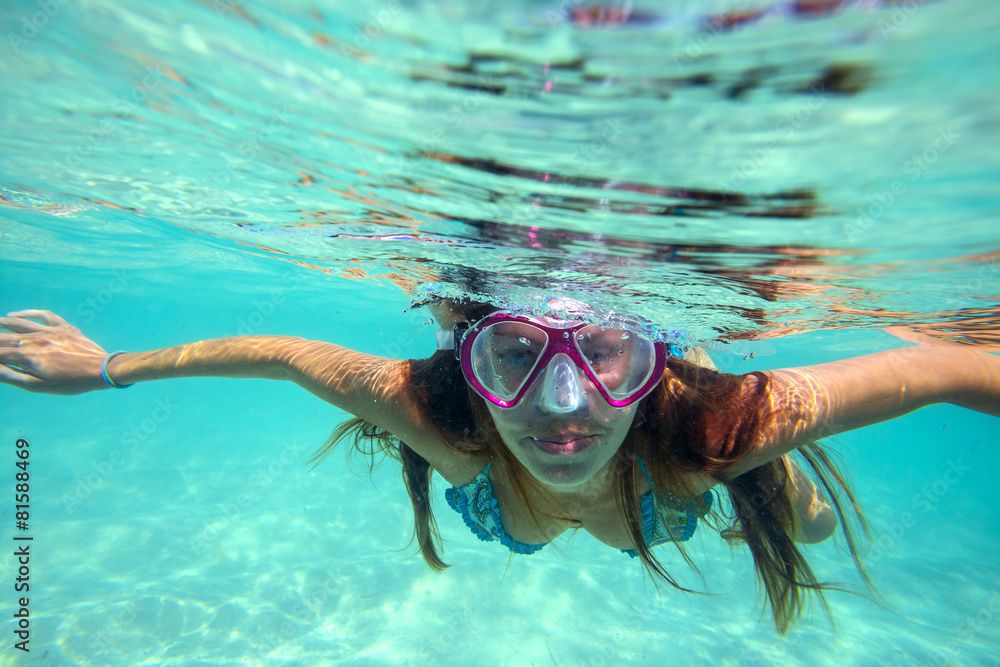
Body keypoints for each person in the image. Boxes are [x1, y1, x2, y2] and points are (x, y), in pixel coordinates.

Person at [1, 302, 997, 633]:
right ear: (468, 365)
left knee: (804, 518)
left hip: (684, 485)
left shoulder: (711, 426)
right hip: (589, 502)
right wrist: (100, 367)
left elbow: (940, 364)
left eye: (604, 350)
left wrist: (103, 372)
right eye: (514, 354)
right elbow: (280, 352)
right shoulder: (446, 424)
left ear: (654, 362)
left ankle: (778, 495)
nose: (561, 409)